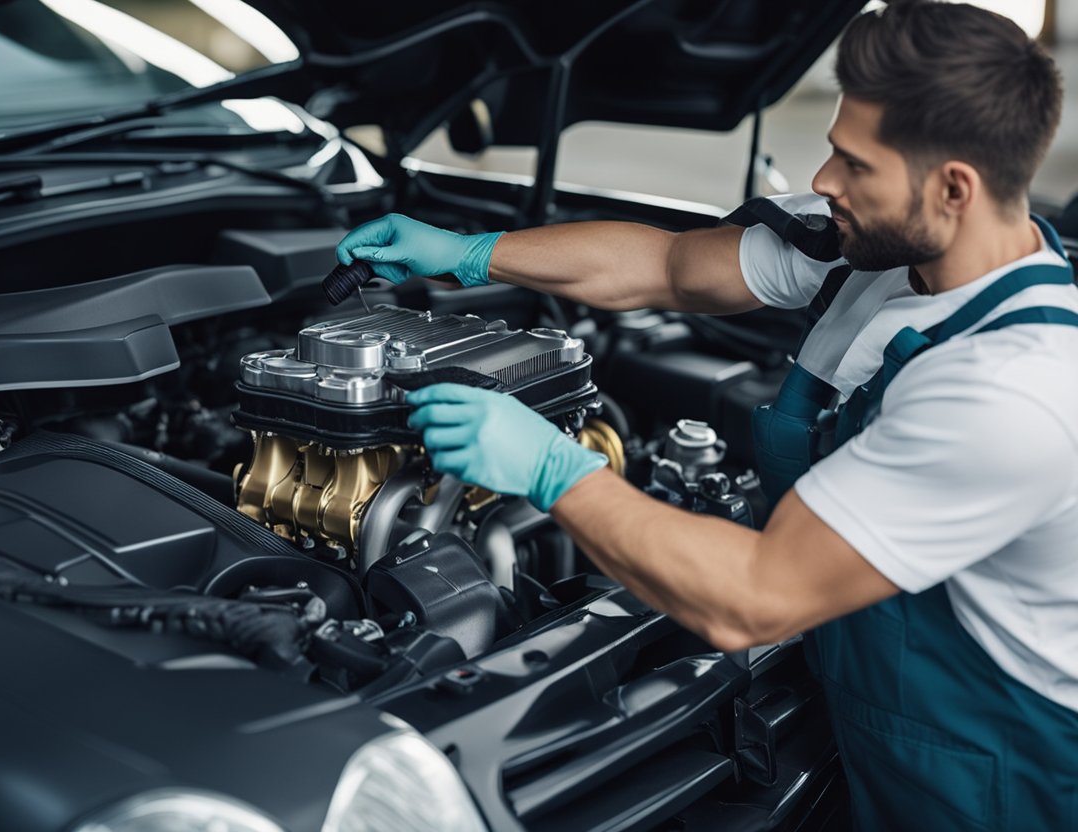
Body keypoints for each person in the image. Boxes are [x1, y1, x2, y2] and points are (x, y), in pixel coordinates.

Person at [336, 2, 1076, 828]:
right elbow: (671, 266)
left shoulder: (1009, 393)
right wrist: (467, 253)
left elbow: (754, 597)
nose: (824, 180)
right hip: (878, 715)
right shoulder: (886, 253)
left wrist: (554, 470)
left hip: (994, 778)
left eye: (853, 163)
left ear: (954, 187)